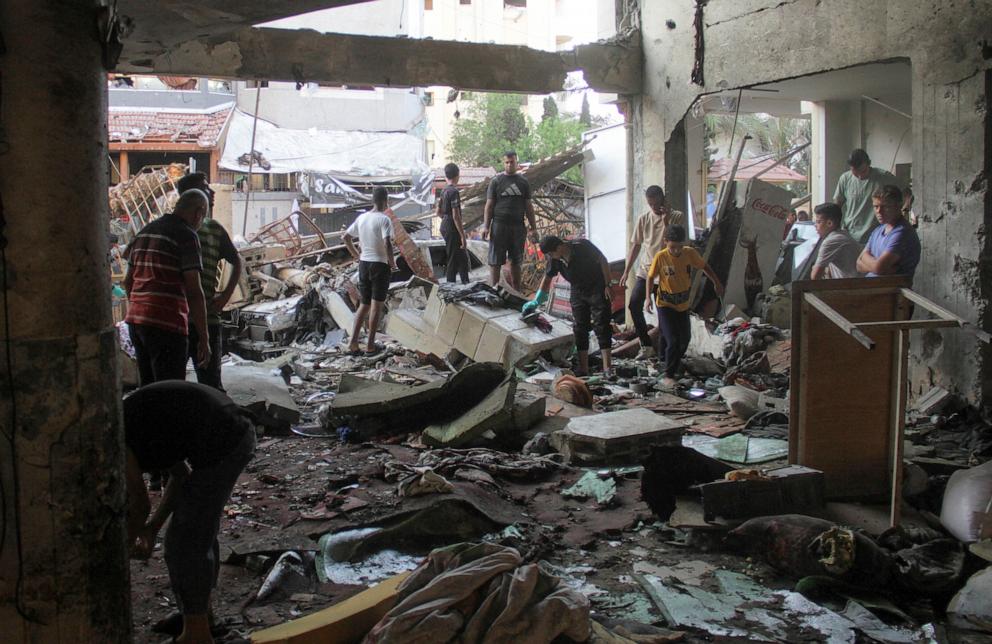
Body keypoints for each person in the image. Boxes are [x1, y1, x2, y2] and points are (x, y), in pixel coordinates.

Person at [125, 381, 255, 644]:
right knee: (198, 528)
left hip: (226, 440)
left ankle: (197, 634)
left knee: (185, 539)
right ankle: (200, 615)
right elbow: (180, 475)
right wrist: (150, 530)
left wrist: (127, 546)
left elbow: (140, 504)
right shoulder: (144, 426)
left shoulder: (116, 434)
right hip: (227, 430)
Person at [124, 189, 211, 385]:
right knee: (170, 391)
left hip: (137, 323)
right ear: (198, 213)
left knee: (148, 388)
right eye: (203, 217)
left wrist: (142, 307)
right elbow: (194, 291)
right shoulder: (186, 236)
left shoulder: (144, 232)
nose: (201, 222)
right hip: (167, 326)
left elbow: (128, 281)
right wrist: (204, 338)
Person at [176, 172, 244, 390]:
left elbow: (237, 261)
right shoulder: (172, 229)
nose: (212, 192)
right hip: (176, 320)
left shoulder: (213, 229)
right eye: (205, 188)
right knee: (174, 384)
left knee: (211, 382)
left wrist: (225, 295)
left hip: (208, 318)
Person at [645, 225, 724, 388]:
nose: (676, 250)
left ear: (684, 244)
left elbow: (705, 267)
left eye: (679, 246)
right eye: (672, 247)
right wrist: (647, 299)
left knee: (684, 339)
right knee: (672, 339)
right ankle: (668, 374)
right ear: (666, 242)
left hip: (682, 305)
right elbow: (650, 277)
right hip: (665, 304)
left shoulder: (689, 253)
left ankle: (666, 360)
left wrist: (716, 282)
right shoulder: (661, 257)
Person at [524, 236, 613, 377]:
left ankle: (607, 368)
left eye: (551, 253)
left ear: (559, 247)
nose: (551, 257)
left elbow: (602, 260)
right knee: (579, 327)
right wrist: (537, 299)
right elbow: (547, 278)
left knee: (601, 325)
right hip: (577, 290)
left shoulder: (582, 245)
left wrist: (608, 284)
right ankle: (584, 369)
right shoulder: (555, 259)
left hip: (597, 287)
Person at [619, 185, 685, 360]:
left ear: (663, 200)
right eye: (651, 205)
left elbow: (672, 242)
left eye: (657, 204)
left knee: (665, 314)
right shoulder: (644, 219)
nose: (654, 208)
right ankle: (646, 345)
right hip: (646, 270)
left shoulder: (677, 216)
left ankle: (664, 354)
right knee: (634, 305)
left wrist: (666, 220)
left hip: (666, 273)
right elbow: (636, 245)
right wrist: (626, 270)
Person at [343, 187, 397, 355]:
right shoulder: (384, 220)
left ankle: (353, 343)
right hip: (379, 266)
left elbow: (346, 237)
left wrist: (356, 255)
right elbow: (387, 243)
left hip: (364, 265)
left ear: (373, 200)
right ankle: (370, 346)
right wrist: (392, 263)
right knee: (376, 306)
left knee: (364, 305)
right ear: (385, 200)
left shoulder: (362, 218)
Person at [484, 150, 538, 290]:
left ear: (517, 163)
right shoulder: (496, 181)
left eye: (512, 162)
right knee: (495, 262)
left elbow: (528, 206)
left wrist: (533, 228)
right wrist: (486, 227)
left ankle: (516, 292)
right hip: (499, 226)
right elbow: (489, 206)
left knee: (516, 262)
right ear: (504, 163)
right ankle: (494, 292)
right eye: (506, 162)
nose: (509, 165)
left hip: (518, 228)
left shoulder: (523, 182)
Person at [834, 148, 902, 244]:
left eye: (863, 171)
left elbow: (907, 194)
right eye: (855, 173)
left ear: (869, 163)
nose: (860, 177)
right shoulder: (845, 178)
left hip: (875, 235)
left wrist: (904, 211)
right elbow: (837, 206)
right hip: (849, 235)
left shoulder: (884, 177)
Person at [856, 184, 921, 282]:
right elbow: (858, 265)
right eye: (876, 206)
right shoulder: (878, 230)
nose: (879, 211)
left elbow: (878, 267)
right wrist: (877, 268)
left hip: (891, 292)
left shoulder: (902, 232)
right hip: (871, 289)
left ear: (899, 206)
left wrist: (869, 261)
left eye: (885, 207)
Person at [436, 162, 469, 284]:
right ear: (457, 175)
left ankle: (466, 284)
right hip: (451, 227)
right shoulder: (454, 192)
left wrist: (445, 219)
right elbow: (456, 216)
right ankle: (451, 287)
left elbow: (437, 212)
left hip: (445, 226)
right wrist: (462, 235)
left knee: (462, 258)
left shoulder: (444, 191)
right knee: (453, 259)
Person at [811, 202, 862, 279]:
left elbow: (814, 277)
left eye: (818, 222)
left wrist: (814, 268)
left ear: (829, 223)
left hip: (851, 287)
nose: (815, 225)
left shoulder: (832, 240)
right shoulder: (842, 234)